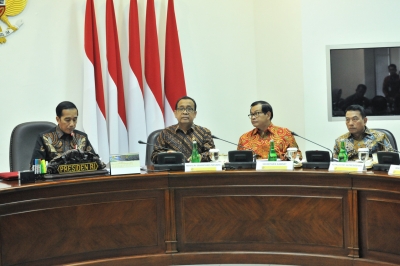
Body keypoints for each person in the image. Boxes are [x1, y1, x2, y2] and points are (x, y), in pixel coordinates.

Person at [151, 96, 215, 163]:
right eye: (181, 109)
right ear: (175, 113)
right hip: (173, 171)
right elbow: (154, 155)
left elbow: (211, 153)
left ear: (195, 114)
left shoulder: (204, 132)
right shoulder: (166, 133)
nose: (185, 112)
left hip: (196, 171)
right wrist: (168, 155)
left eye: (189, 109)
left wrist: (199, 157)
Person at [31, 101, 98, 163]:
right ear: (58, 119)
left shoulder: (82, 137)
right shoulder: (45, 138)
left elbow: (96, 162)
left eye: (74, 119)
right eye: (67, 120)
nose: (72, 124)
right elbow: (35, 167)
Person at [237, 101, 302, 160]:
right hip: (252, 172)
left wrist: (288, 157)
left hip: (278, 171)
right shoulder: (244, 138)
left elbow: (298, 157)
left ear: (268, 115)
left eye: (257, 113)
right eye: (251, 114)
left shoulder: (285, 133)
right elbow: (238, 161)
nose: (253, 117)